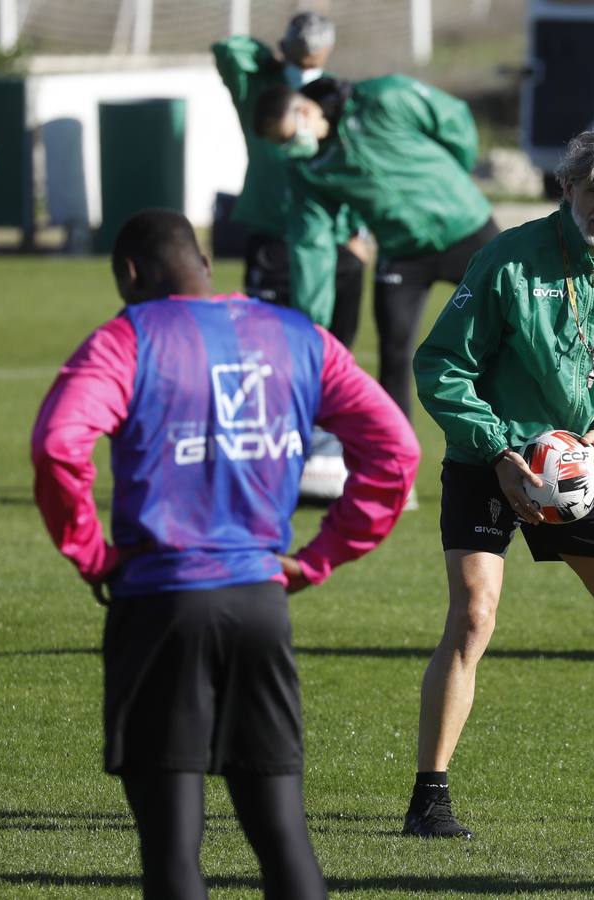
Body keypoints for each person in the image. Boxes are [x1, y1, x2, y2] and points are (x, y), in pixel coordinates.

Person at [30, 209, 419, 897]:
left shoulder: (126, 340)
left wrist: (91, 555)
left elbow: (59, 444)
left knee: (174, 851)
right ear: (206, 267)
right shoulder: (299, 337)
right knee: (281, 835)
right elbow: (396, 451)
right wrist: (322, 553)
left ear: (129, 274)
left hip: (161, 602)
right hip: (260, 604)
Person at [400, 128, 594, 839]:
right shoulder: (508, 258)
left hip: (583, 471)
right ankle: (429, 799)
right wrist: (497, 448)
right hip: (492, 462)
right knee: (474, 615)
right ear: (566, 188)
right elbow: (442, 365)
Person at [253, 76, 498, 421]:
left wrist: (454, 176)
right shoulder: (305, 170)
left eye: (288, 136)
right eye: (281, 144)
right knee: (395, 357)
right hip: (401, 255)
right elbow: (313, 247)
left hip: (467, 227)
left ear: (306, 110)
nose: (290, 147)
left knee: (511, 332)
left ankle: (523, 442)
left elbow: (452, 118)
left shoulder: (381, 98)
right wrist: (313, 327)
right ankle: (398, 466)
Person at [211, 12, 369, 341]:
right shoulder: (259, 88)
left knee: (336, 344)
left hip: (331, 236)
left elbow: (354, 166)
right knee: (265, 337)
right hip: (273, 230)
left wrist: (358, 230)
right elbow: (229, 50)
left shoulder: (334, 94)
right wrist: (274, 58)